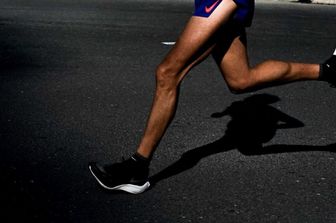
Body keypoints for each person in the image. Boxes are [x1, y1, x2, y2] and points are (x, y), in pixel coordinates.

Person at [88, 0, 336, 194]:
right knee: (241, 80)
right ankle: (328, 71)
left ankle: (137, 167)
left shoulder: (269, 111)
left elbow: (292, 122)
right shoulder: (252, 110)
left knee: (168, 73)